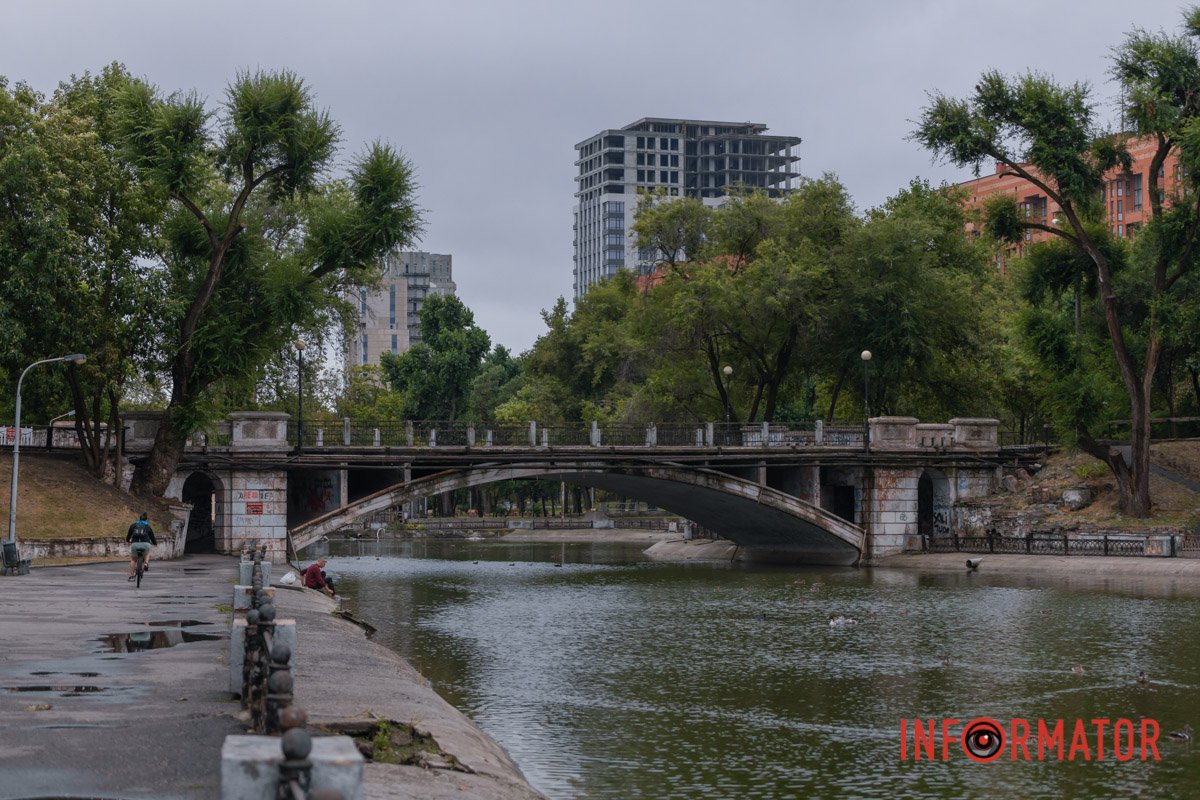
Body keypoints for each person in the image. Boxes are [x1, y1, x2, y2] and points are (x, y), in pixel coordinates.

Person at [127, 512, 157, 580]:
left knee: (133, 560)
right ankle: (146, 563)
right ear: (146, 520)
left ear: (139, 518)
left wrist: (128, 540)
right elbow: (152, 536)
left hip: (135, 544)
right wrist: (155, 543)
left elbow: (129, 535)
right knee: (147, 553)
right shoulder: (147, 526)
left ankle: (131, 576)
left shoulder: (133, 525)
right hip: (145, 544)